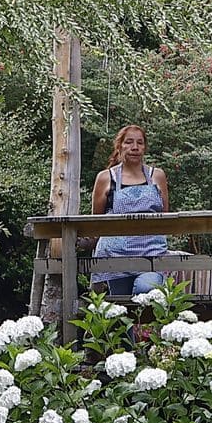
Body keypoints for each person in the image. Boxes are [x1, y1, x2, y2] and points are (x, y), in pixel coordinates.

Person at [90, 124, 171, 297]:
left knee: (147, 289)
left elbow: (165, 217)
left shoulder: (157, 176)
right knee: (122, 306)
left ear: (145, 147)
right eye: (129, 142)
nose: (135, 147)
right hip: (115, 255)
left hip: (151, 252)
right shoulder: (105, 178)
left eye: (140, 143)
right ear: (119, 146)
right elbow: (95, 221)